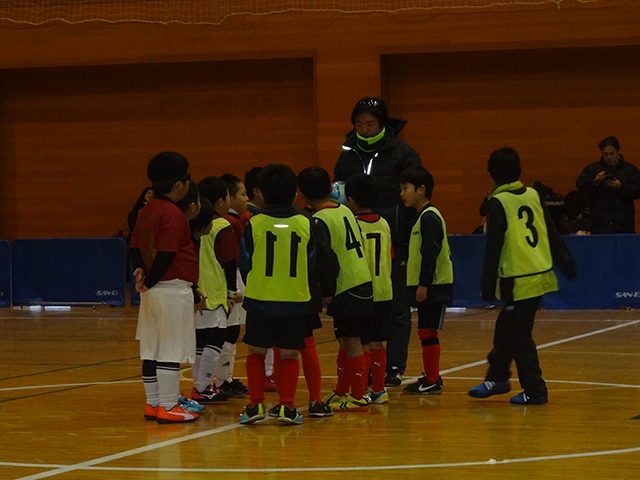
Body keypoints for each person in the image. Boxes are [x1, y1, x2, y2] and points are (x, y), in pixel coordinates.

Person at [468, 147, 576, 405]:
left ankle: (535, 389)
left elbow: (494, 247)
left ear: (490, 175)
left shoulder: (499, 202)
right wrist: (566, 260)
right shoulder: (533, 194)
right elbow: (551, 232)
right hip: (538, 275)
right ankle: (498, 377)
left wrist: (486, 285)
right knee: (507, 326)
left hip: (518, 279)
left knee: (519, 335)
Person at [333, 96, 422, 388]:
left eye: (370, 124)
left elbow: (413, 199)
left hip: (392, 241)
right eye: (359, 124)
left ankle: (394, 366)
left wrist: (405, 239)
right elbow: (338, 192)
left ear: (381, 124)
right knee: (360, 306)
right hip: (353, 242)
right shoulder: (347, 154)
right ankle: (365, 367)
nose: (365, 129)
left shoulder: (403, 153)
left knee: (395, 306)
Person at [238, 163, 315, 425]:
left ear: (261, 194)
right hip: (295, 299)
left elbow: (245, 261)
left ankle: (255, 404)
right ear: (294, 193)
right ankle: (287, 407)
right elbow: (313, 259)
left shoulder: (255, 223)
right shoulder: (305, 222)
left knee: (256, 351)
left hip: (261, 298)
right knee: (289, 353)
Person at [129, 151, 199, 423]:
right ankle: (169, 407)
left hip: (152, 291)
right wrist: (151, 279)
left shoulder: (146, 210)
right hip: (170, 288)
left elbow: (135, 246)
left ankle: (154, 402)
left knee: (152, 347)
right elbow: (167, 253)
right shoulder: (173, 213)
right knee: (170, 347)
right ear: (180, 184)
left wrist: (140, 274)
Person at [298, 166, 374, 412]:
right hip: (362, 278)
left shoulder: (318, 220)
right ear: (331, 188)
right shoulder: (344, 209)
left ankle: (360, 395)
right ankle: (343, 391)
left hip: (346, 284)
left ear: (302, 193)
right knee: (347, 340)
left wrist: (326, 290)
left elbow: (326, 259)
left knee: (351, 341)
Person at [399, 166, 453, 395]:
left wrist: (424, 283)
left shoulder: (429, 217)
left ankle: (432, 379)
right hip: (429, 284)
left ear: (421, 190)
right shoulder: (421, 217)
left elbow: (431, 251)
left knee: (428, 331)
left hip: (434, 284)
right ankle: (431, 377)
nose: (402, 193)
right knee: (425, 331)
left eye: (405, 188)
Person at [189, 176, 239, 403]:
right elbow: (229, 261)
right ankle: (202, 387)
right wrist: (231, 291)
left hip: (196, 289)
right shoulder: (222, 225)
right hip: (215, 291)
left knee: (200, 339)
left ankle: (199, 387)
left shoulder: (191, 223)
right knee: (218, 336)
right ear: (220, 201)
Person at [344, 173, 393, 404]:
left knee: (360, 342)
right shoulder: (384, 223)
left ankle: (361, 390)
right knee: (378, 341)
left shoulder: (353, 225)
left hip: (362, 291)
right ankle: (379, 390)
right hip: (384, 289)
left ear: (350, 200)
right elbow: (390, 256)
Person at [213, 173, 250, 398]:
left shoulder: (237, 219)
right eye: (242, 194)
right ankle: (220, 380)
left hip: (236, 277)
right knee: (228, 330)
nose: (246, 199)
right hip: (231, 277)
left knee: (233, 330)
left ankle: (225, 378)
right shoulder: (228, 222)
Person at [576, 136, 640, 234]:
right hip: (599, 224)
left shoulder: (630, 170)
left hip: (623, 223)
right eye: (605, 154)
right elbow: (581, 186)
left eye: (612, 154)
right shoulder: (592, 169)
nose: (609, 157)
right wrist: (595, 181)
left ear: (618, 151)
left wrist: (621, 187)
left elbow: (637, 190)